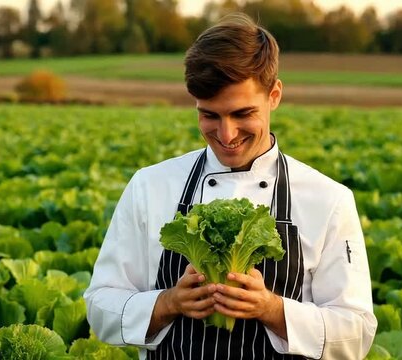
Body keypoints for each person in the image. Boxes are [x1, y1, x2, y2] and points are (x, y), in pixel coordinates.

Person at [84, 13, 377, 360]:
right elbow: (101, 306)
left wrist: (271, 309)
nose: (226, 135)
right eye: (209, 115)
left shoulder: (328, 200)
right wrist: (167, 303)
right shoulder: (150, 186)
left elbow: (356, 333)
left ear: (275, 95)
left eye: (242, 114)